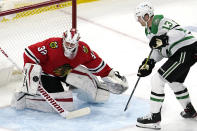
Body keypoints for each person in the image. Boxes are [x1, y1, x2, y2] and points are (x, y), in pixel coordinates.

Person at [11, 28, 128, 113]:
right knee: (64, 105)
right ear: (63, 39)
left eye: (73, 44)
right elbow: (29, 52)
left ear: (77, 42)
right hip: (47, 74)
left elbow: (96, 63)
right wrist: (31, 70)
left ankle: (75, 87)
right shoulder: (52, 45)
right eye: (67, 43)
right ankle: (24, 98)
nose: (69, 46)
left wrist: (110, 75)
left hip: (65, 71)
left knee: (100, 94)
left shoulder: (83, 49)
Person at [134, 1, 197, 130]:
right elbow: (160, 50)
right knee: (174, 82)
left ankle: (154, 118)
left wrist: (164, 38)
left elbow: (179, 32)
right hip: (181, 52)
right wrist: (150, 62)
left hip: (187, 49)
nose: (138, 20)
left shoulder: (160, 21)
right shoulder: (149, 31)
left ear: (147, 15)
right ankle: (190, 111)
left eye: (139, 17)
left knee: (157, 80)